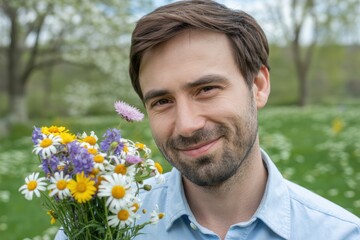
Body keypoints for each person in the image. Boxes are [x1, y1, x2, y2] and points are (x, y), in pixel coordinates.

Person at [55, 0, 359, 239]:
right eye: (162, 101)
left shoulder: (339, 234)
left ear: (258, 87)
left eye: (206, 89)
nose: (187, 125)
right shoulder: (96, 226)